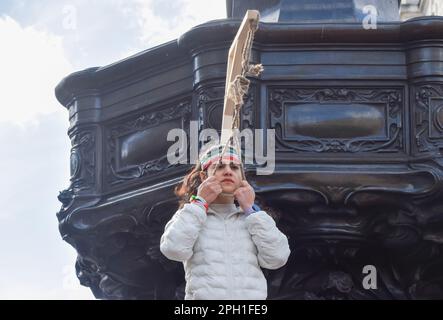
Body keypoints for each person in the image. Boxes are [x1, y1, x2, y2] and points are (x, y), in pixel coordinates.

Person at [160, 143, 290, 300]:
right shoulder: (191, 215)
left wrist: (250, 209)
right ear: (203, 177)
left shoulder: (253, 219)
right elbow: (173, 250)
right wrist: (200, 203)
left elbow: (278, 258)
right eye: (219, 166)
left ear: (242, 178)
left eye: (235, 167)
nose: (228, 171)